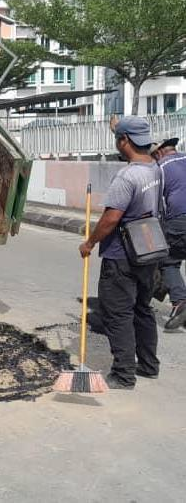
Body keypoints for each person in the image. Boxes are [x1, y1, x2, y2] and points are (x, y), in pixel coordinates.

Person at [78, 116, 161, 389]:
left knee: (117, 313)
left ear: (124, 142)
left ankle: (124, 375)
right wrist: (116, 127)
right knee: (142, 309)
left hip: (121, 255)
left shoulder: (127, 176)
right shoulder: (154, 168)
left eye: (118, 138)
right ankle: (148, 365)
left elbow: (112, 218)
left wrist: (89, 243)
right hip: (148, 249)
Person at [152, 137, 186, 331]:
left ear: (159, 152)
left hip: (179, 221)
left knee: (169, 260)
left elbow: (156, 203)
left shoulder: (160, 169)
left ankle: (180, 301)